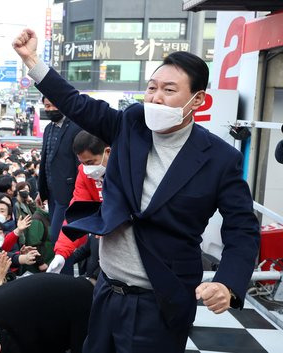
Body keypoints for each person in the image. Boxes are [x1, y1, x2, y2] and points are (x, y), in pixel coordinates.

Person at [13, 29, 260, 352]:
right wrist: (32, 60)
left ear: (198, 99)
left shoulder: (220, 159)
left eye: (169, 90)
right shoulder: (130, 124)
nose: (156, 98)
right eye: (152, 88)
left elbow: (242, 228)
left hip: (160, 301)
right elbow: (77, 104)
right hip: (106, 291)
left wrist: (228, 282)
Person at [47, 131, 109, 275]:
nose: (87, 168)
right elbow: (78, 213)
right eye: (82, 163)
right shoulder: (85, 173)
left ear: (107, 152)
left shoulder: (126, 168)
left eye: (90, 162)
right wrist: (61, 253)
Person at [37, 95, 82, 244]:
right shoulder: (48, 128)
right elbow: (46, 161)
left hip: (68, 193)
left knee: (59, 237)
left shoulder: (75, 128)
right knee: (58, 238)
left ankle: (64, 267)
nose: (49, 109)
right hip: (51, 192)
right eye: (46, 106)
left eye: (52, 105)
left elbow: (79, 164)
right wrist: (41, 191)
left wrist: (79, 194)